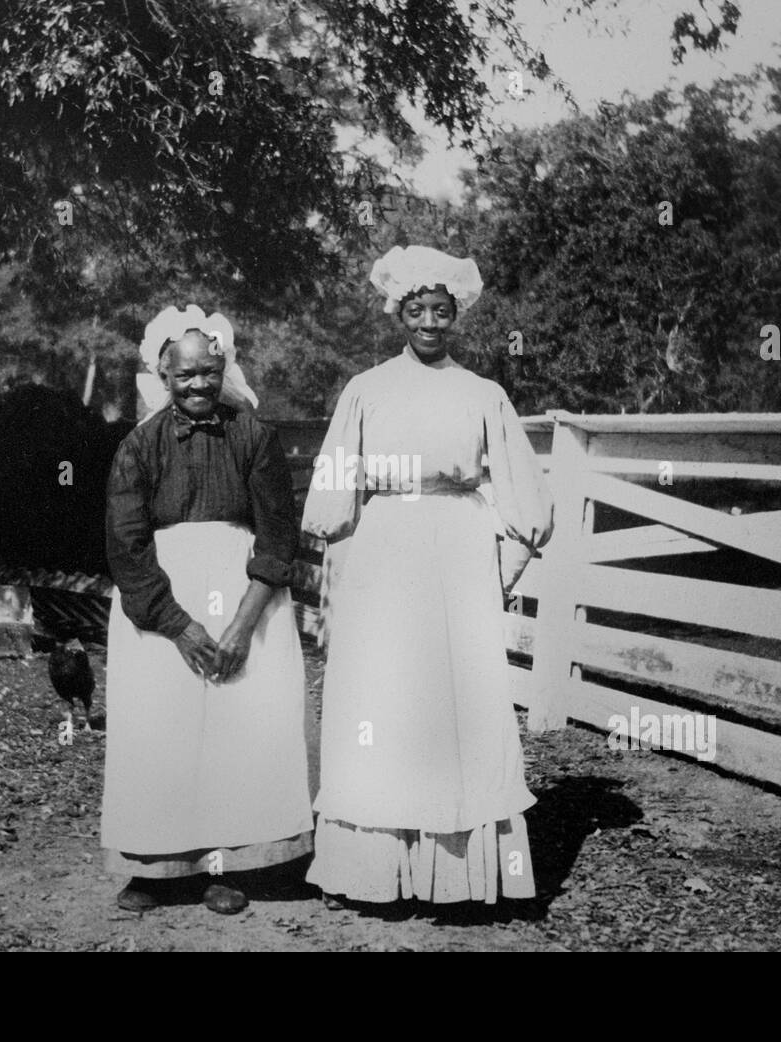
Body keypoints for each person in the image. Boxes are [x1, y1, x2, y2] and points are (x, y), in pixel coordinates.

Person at [303, 245, 554, 906]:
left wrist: (499, 567)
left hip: (459, 549)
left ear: (457, 317)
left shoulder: (482, 395)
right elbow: (334, 485)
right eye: (419, 310)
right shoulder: (367, 389)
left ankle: (463, 875)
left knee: (459, 703)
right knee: (381, 700)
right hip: (385, 546)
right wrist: (336, 549)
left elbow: (525, 497)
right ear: (400, 314)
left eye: (442, 311)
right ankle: (368, 870)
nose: (432, 322)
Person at [101, 305, 313, 915]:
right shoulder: (137, 447)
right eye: (184, 375)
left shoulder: (255, 438)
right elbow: (126, 545)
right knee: (160, 730)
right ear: (162, 376)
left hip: (245, 598)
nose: (198, 385)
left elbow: (277, 537)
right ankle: (155, 867)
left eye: (208, 372)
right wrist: (179, 624)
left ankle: (226, 864)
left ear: (224, 368)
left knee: (234, 730)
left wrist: (242, 625)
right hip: (160, 606)